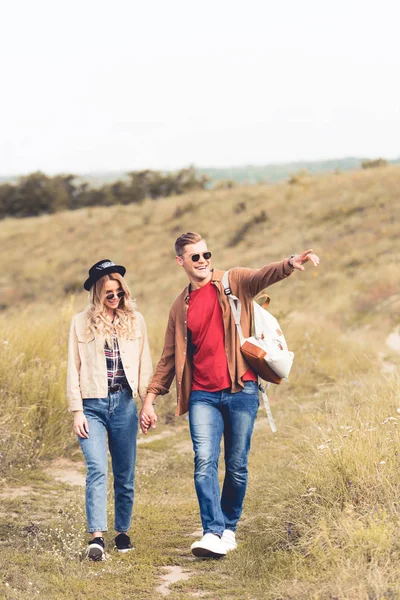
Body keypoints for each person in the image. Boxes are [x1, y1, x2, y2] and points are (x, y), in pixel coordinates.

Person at [139, 233, 319, 558]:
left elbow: (261, 275)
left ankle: (229, 528)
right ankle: (211, 531)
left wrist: (289, 264)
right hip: (202, 396)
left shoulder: (232, 282)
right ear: (180, 261)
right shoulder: (180, 307)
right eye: (195, 257)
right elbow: (169, 358)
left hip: (242, 389)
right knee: (203, 461)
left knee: (236, 465)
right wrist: (151, 398)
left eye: (206, 254)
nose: (203, 260)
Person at [67, 259, 153, 561]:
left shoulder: (136, 320)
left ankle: (122, 531)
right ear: (97, 294)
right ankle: (97, 537)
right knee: (96, 468)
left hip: (125, 405)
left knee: (125, 473)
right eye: (109, 294)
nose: (115, 298)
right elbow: (73, 367)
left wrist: (147, 404)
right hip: (92, 406)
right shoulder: (80, 322)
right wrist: (77, 410)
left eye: (119, 292)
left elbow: (145, 364)